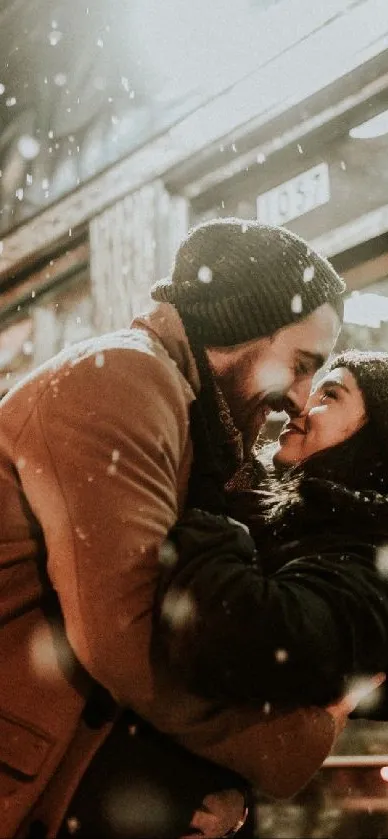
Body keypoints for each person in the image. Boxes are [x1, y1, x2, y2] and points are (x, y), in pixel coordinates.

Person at [0, 217, 346, 838]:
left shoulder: (191, 417)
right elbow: (123, 637)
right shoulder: (120, 381)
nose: (300, 397)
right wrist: (293, 740)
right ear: (241, 328)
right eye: (300, 364)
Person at [157, 350, 388, 721]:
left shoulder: (376, 556)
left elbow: (247, 639)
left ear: (376, 439)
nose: (300, 404)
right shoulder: (297, 522)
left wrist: (210, 513)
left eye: (330, 395)